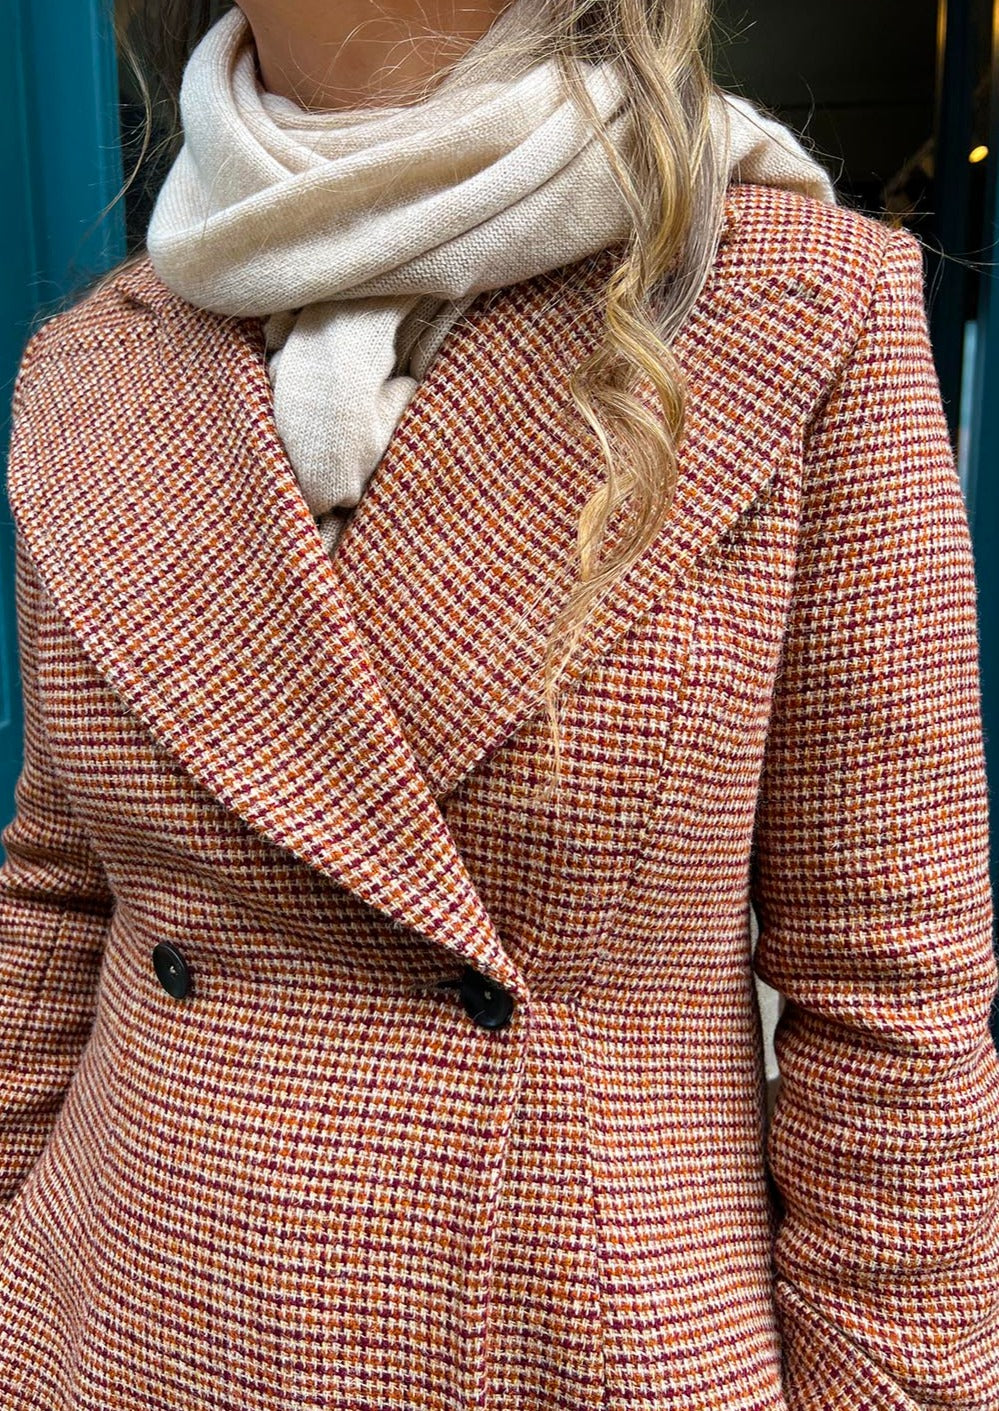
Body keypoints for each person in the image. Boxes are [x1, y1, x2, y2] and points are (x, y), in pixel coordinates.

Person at [1, 0, 997, 1407]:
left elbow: (893, 1009)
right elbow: (60, 892)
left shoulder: (796, 309)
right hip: (110, 1323)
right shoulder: (93, 370)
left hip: (571, 1346)